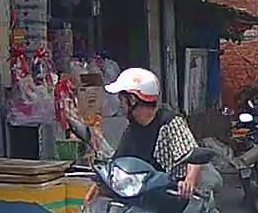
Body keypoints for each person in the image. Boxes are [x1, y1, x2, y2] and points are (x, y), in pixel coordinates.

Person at [83, 67, 204, 202]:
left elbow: (193, 157)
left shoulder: (169, 123)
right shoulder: (132, 129)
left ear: (132, 100)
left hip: (172, 199)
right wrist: (92, 196)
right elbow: (117, 165)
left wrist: (189, 181)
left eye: (122, 99)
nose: (120, 105)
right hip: (139, 200)